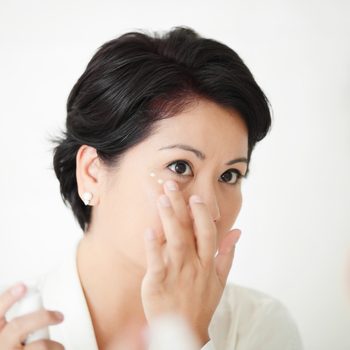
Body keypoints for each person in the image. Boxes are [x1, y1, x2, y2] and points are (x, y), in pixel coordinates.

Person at [0, 26, 303, 349]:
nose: (212, 210)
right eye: (180, 167)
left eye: (230, 175)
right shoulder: (13, 329)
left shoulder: (258, 328)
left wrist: (185, 337)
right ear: (92, 172)